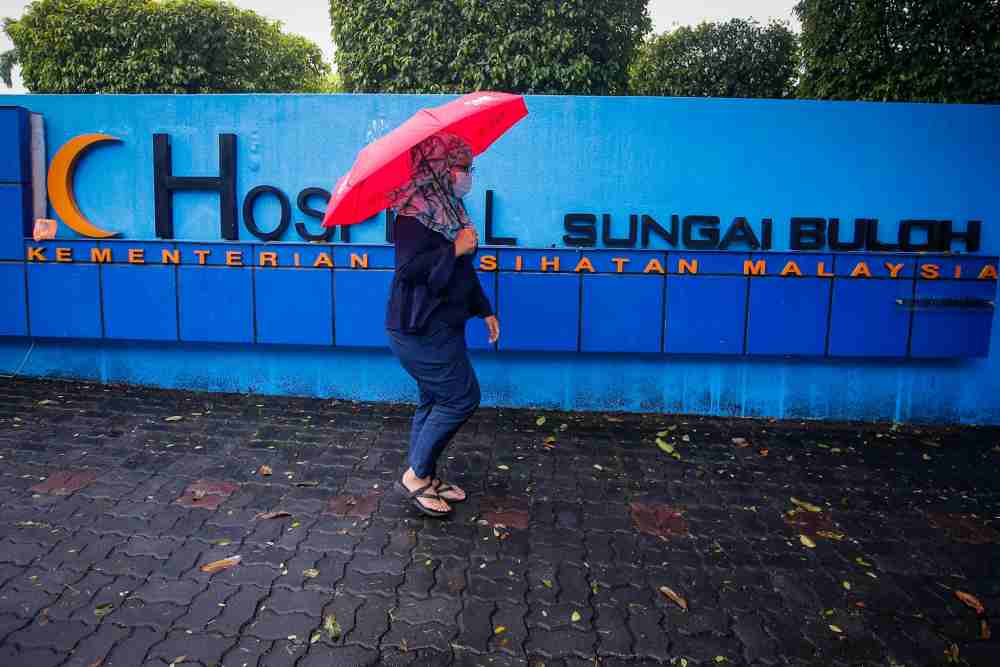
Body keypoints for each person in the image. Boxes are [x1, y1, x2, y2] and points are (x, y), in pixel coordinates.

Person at [386, 132, 500, 517]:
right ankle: (416, 476)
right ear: (438, 168)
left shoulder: (451, 211)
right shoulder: (412, 215)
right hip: (417, 326)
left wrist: (485, 309)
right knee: (461, 397)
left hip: (444, 325)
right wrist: (455, 248)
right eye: (462, 167)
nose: (468, 175)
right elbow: (410, 272)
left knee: (434, 398)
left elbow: (462, 273)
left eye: (470, 167)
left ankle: (427, 475)